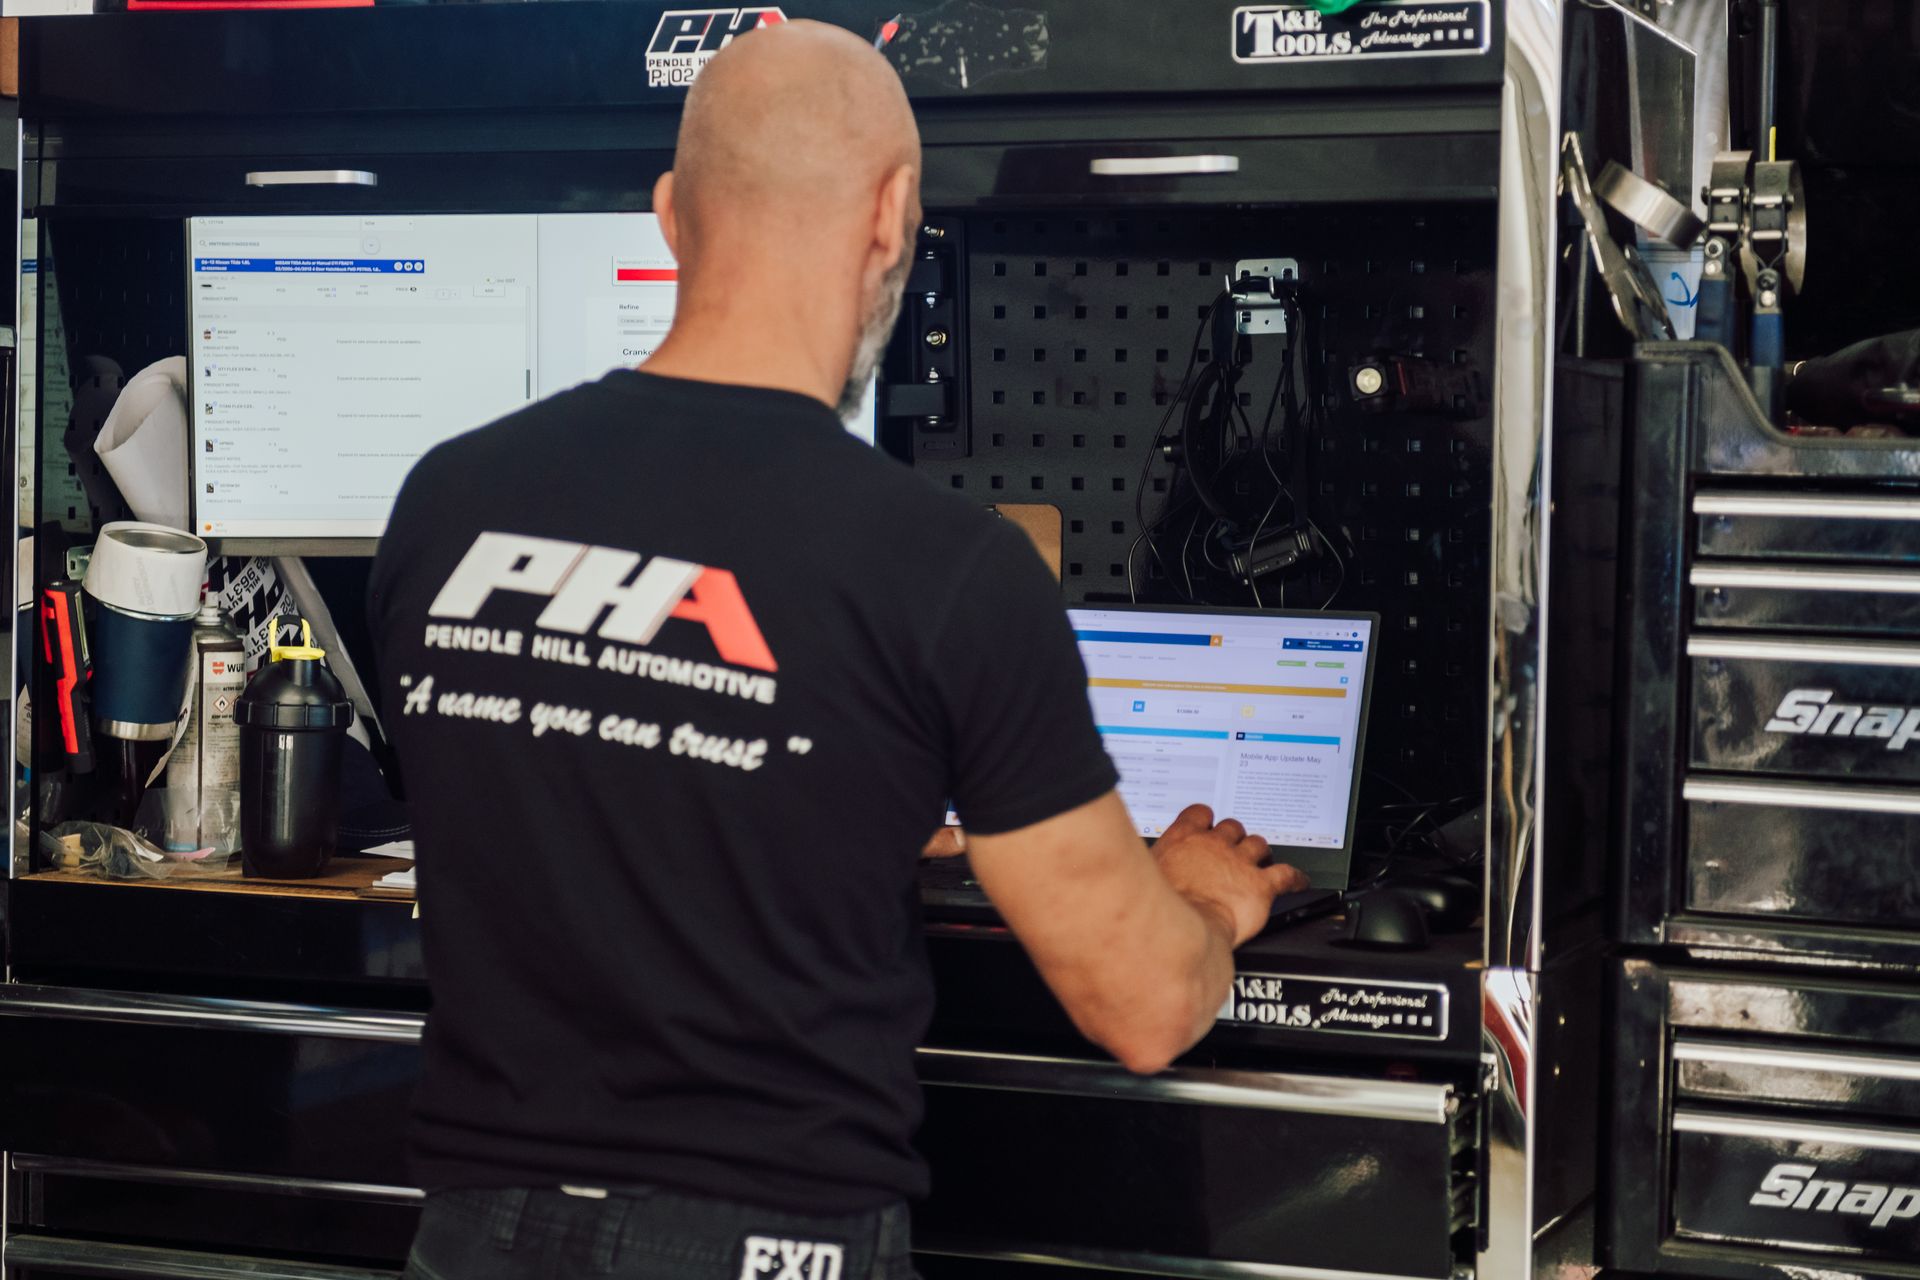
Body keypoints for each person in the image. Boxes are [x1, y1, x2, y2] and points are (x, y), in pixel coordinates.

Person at [369, 20, 1305, 1280]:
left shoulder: (444, 501)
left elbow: (569, 768)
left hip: (473, 1233)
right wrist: (1205, 898)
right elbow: (1137, 1006)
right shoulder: (944, 565)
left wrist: (842, 792)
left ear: (669, 216)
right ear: (893, 216)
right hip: (764, 1242)